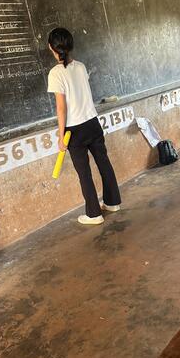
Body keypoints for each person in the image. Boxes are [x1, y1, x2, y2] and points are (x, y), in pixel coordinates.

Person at [47, 27, 121, 225]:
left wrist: (61, 135)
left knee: (84, 173)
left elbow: (61, 107)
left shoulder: (55, 73)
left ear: (51, 47)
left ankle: (94, 214)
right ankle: (112, 203)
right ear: (70, 45)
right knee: (104, 163)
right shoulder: (80, 66)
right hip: (92, 123)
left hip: (74, 130)